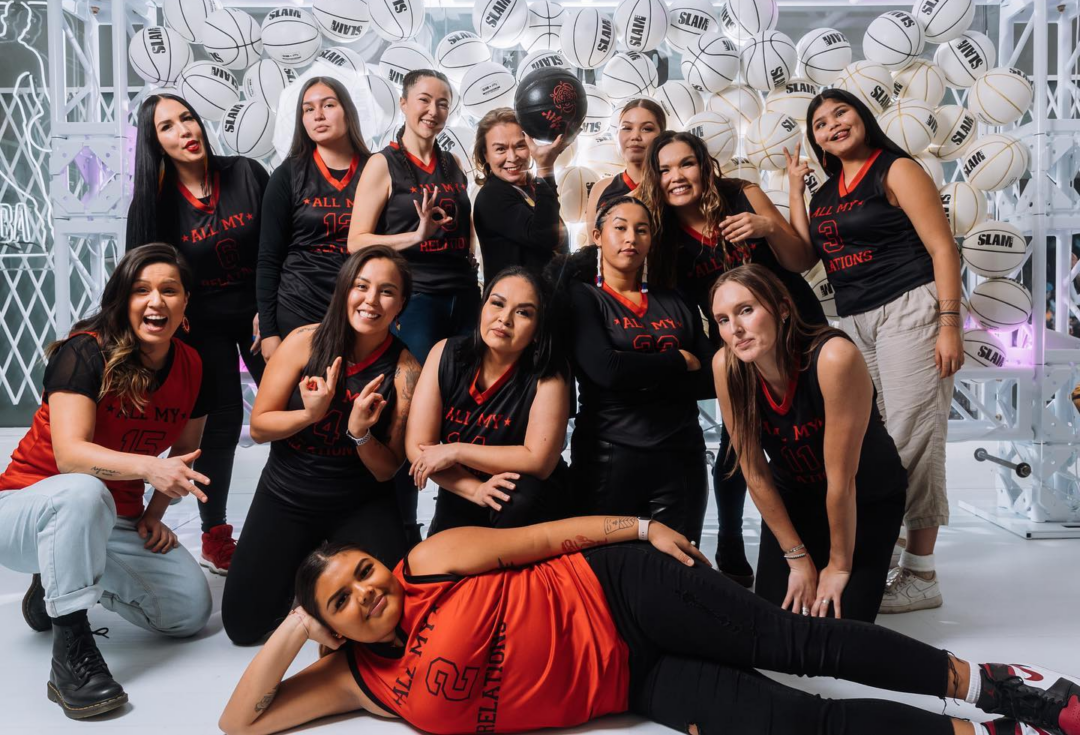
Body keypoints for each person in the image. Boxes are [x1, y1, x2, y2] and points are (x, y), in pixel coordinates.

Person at [221, 515, 1080, 735]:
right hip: (630, 682)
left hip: (623, 591)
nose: (367, 590)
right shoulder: (358, 680)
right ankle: (984, 733)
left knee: (797, 642)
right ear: (331, 625)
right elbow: (239, 723)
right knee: (796, 724)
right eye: (342, 599)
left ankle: (998, 685)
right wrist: (294, 630)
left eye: (360, 570)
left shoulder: (429, 561)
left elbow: (545, 538)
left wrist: (639, 528)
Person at [0, 244, 213, 719]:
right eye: (141, 290)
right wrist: (148, 468)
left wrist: (154, 514)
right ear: (122, 299)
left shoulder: (194, 366)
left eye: (169, 290)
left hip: (112, 518)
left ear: (185, 302)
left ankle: (54, 582)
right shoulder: (84, 352)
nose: (155, 301)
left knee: (187, 612)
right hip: (27, 508)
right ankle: (71, 659)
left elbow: (184, 455)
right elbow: (70, 455)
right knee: (83, 490)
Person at [788, 88, 964, 613]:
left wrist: (949, 324)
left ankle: (919, 571)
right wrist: (794, 190)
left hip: (910, 308)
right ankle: (886, 549)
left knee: (914, 437)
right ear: (816, 140)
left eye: (840, 112)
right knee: (877, 443)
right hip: (856, 320)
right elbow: (801, 258)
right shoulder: (825, 194)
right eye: (820, 123)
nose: (833, 125)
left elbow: (942, 247)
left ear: (862, 116)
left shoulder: (896, 169)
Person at [638, 129, 823, 589]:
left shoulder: (742, 194)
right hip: (738, 345)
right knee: (737, 445)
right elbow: (675, 308)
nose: (677, 176)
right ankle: (730, 540)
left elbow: (800, 259)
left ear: (704, 165)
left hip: (796, 328)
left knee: (817, 434)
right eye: (664, 169)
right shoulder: (662, 234)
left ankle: (828, 537)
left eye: (686, 163)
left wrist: (768, 227)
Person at [222, 246, 421, 646]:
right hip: (287, 495)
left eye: (386, 291)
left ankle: (318, 567)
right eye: (361, 286)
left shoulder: (405, 370)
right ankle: (303, 572)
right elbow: (259, 427)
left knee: (396, 622)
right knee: (243, 627)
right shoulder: (303, 341)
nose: (370, 300)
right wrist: (309, 415)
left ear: (401, 304)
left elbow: (386, 470)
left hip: (359, 501)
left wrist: (360, 433)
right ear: (344, 289)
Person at [710, 264, 907, 622]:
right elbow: (755, 472)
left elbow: (842, 481)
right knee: (775, 622)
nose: (735, 328)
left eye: (746, 310)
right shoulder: (727, 366)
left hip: (865, 496)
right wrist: (797, 558)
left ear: (783, 309)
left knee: (840, 628)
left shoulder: (833, 357)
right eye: (723, 320)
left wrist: (839, 565)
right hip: (797, 495)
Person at [126, 92, 269, 574]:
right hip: (199, 323)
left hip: (260, 315)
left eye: (187, 118)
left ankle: (310, 517)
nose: (184, 130)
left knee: (296, 410)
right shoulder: (154, 204)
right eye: (167, 126)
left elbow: (278, 248)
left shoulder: (246, 173)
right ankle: (215, 534)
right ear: (155, 143)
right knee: (220, 426)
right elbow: (142, 278)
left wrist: (268, 309)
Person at [347, 68, 477, 545]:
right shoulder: (383, 164)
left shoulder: (453, 164)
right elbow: (356, 241)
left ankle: (456, 521)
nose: (433, 111)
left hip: (463, 297)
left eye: (443, 103)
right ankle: (403, 529)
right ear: (403, 104)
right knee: (409, 416)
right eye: (424, 100)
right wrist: (415, 236)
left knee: (464, 410)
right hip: (416, 300)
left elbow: (465, 230)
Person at [554, 196, 715, 543]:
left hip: (681, 455)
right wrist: (677, 361)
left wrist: (636, 377)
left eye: (642, 230)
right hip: (609, 455)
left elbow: (710, 378)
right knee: (605, 567)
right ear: (597, 236)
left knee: (681, 565)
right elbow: (606, 369)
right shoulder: (583, 297)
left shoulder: (675, 298)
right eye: (620, 228)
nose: (631, 238)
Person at [406, 266, 571, 534]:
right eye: (497, 303)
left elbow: (538, 461)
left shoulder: (549, 373)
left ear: (538, 330)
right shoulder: (445, 354)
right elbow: (418, 447)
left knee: (516, 497)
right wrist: (476, 490)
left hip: (524, 503)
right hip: (462, 488)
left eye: (523, 312)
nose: (504, 319)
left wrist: (456, 450)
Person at [256, 75, 371, 363]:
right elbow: (269, 258)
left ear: (347, 111)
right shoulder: (287, 175)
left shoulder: (375, 169)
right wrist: (269, 331)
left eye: (328, 105)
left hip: (361, 306)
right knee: (306, 392)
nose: (318, 115)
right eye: (308, 109)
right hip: (299, 304)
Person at [471, 108, 572, 280]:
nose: (512, 157)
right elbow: (545, 237)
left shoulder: (531, 188)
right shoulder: (491, 196)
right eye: (500, 149)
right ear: (485, 154)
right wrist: (545, 168)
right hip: (516, 297)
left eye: (520, 146)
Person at [583, 98, 667, 229]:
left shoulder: (671, 185)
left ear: (662, 136)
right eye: (627, 128)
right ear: (617, 134)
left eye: (647, 129)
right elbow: (593, 241)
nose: (635, 136)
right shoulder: (600, 188)